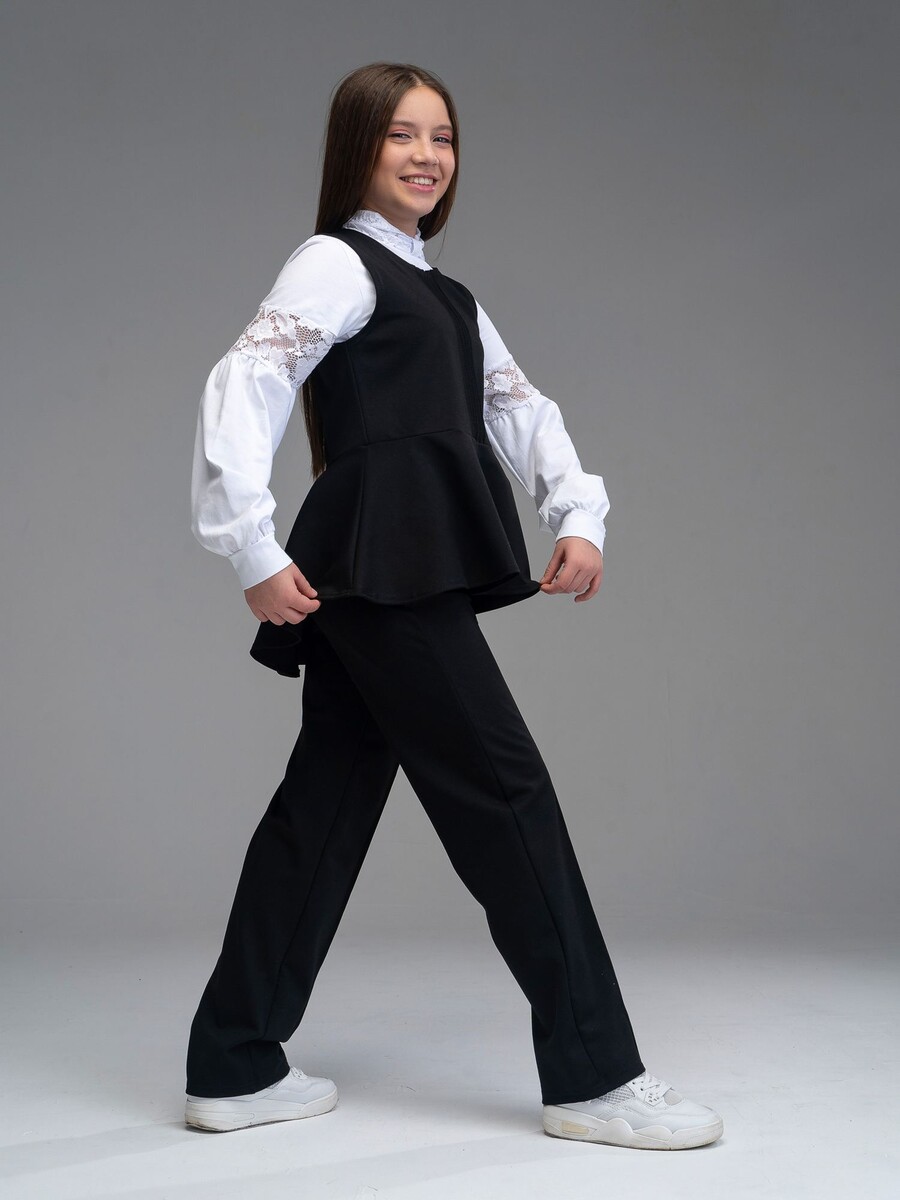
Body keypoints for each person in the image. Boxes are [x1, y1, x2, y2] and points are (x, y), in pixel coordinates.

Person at [185, 61, 724, 1151]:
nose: (427, 156)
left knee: (326, 805)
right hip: (382, 566)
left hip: (393, 564)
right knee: (506, 795)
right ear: (358, 148)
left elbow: (517, 407)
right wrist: (247, 541)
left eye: (443, 137)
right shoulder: (335, 263)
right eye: (402, 135)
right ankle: (595, 1076)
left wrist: (579, 511)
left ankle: (235, 1063)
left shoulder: (447, 295)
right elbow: (245, 381)